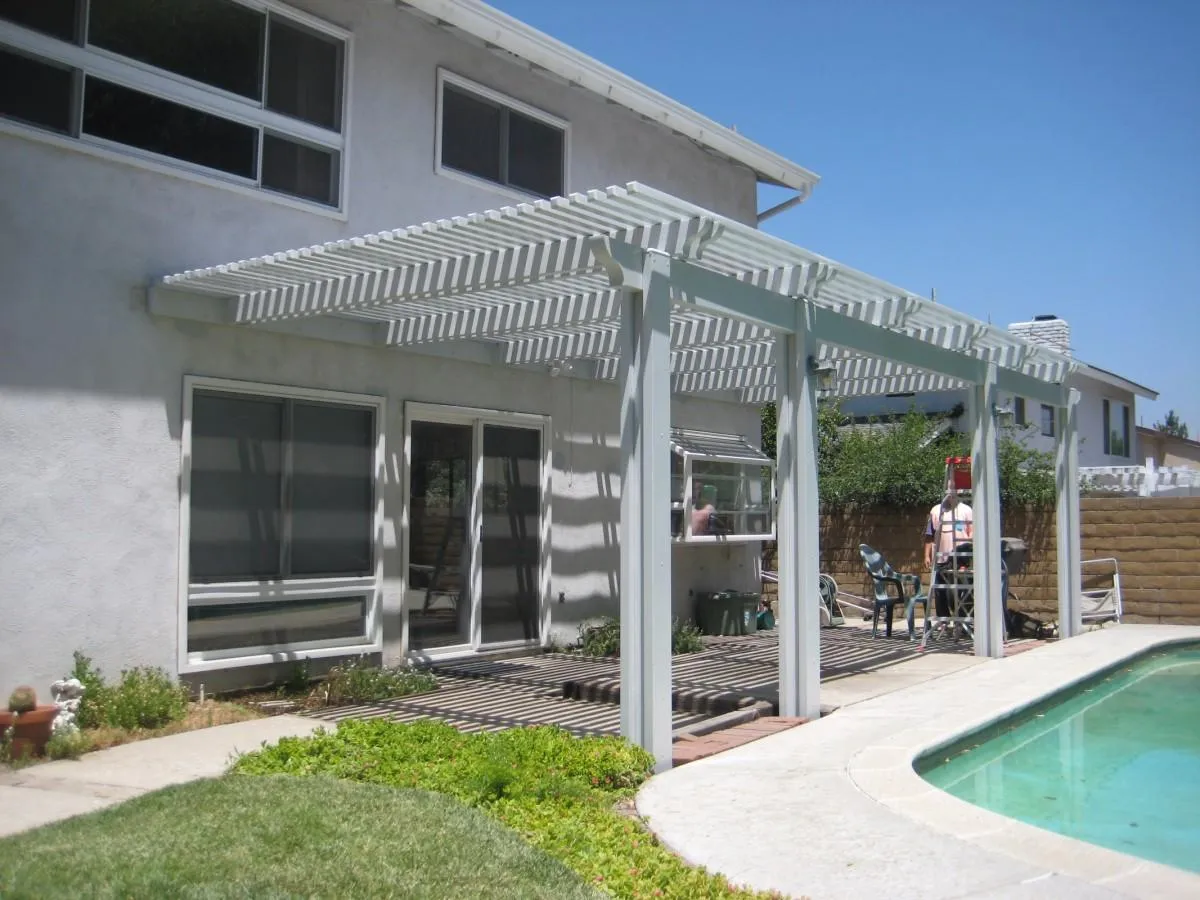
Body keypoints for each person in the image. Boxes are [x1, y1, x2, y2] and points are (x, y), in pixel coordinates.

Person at [924, 491, 973, 617]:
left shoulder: (966, 510)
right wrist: (926, 556)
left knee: (957, 592)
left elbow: (972, 533)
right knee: (940, 591)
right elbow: (929, 535)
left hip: (960, 559)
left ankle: (961, 620)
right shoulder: (936, 510)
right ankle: (943, 621)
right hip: (940, 558)